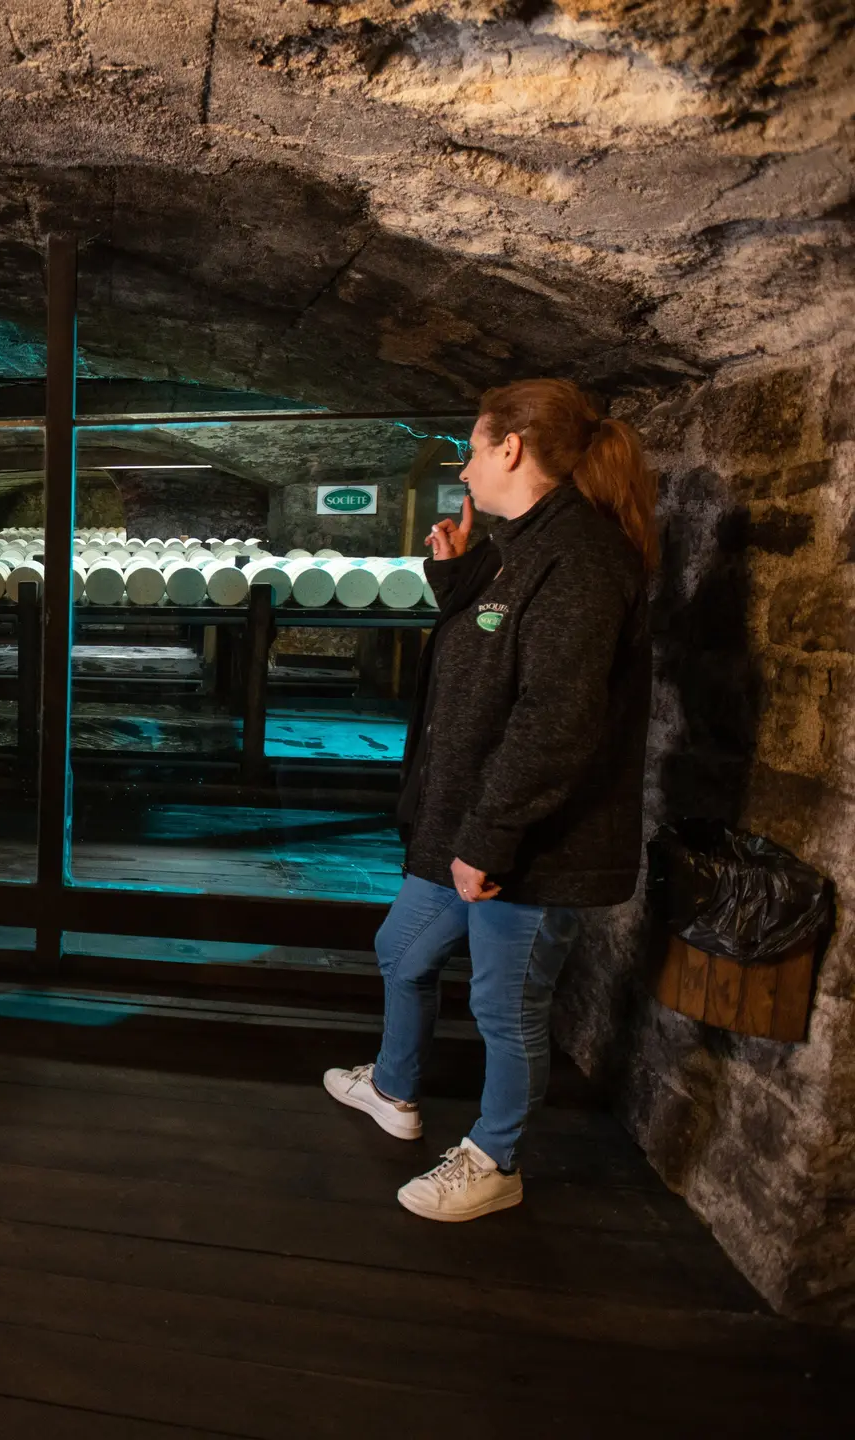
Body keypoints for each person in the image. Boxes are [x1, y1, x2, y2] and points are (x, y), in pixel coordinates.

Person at [324, 378, 655, 1222]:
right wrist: (457, 573)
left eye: (472, 448)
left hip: (525, 842)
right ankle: (394, 1089)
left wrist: (492, 836)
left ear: (511, 447)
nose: (464, 469)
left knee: (505, 1006)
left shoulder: (581, 557)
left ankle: (494, 1158)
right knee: (401, 947)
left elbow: (555, 718)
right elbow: (487, 650)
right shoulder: (522, 546)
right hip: (468, 821)